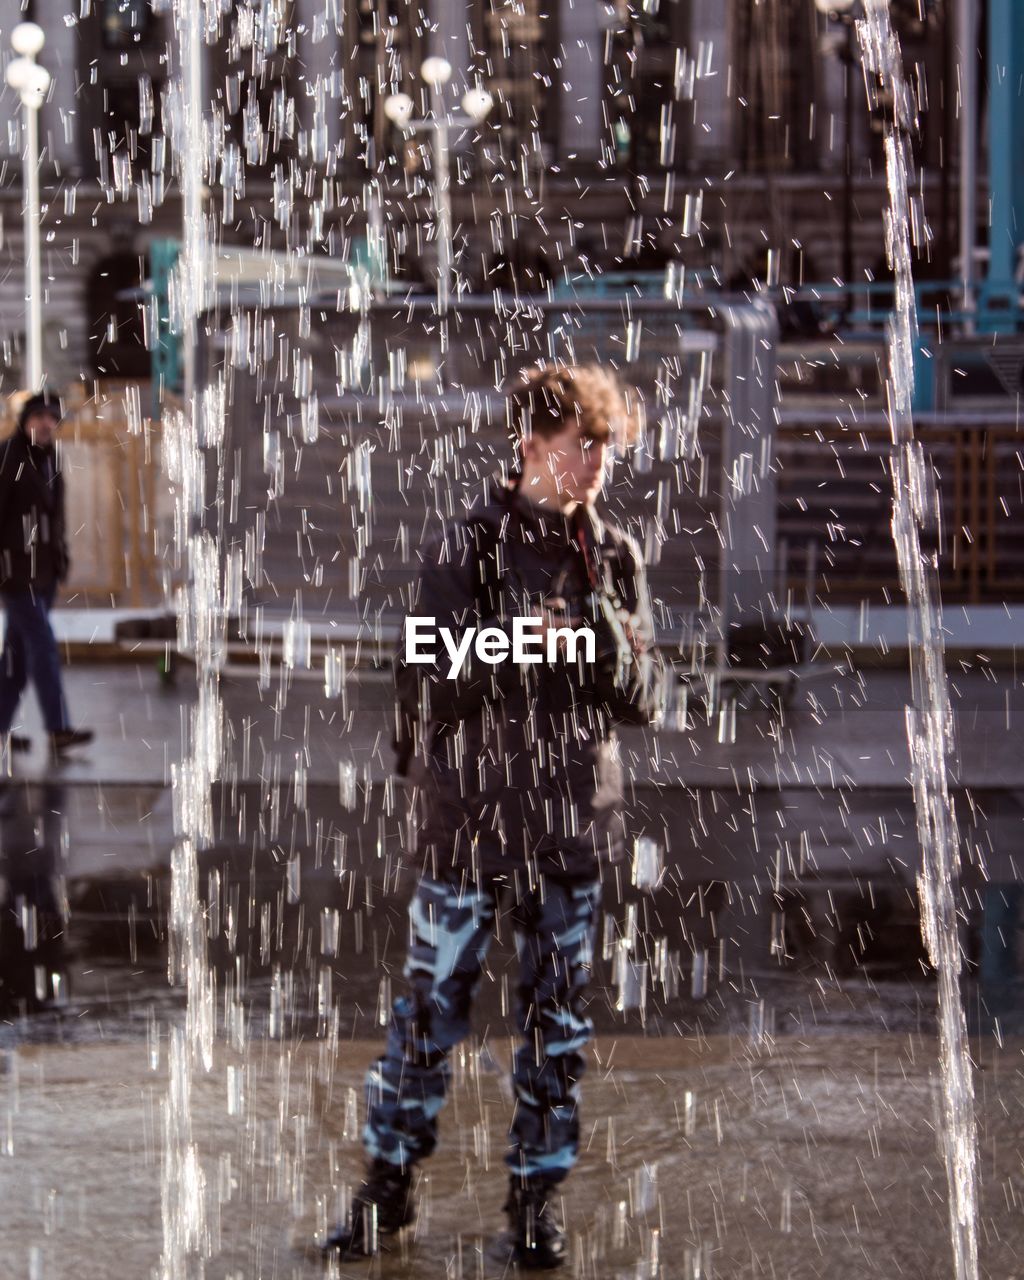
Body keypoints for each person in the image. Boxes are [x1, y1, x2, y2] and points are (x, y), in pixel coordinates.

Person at [324, 364, 663, 1268]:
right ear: (531, 444)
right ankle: (385, 1188)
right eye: (580, 446)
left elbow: (650, 693)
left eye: (606, 449)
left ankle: (535, 1200)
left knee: (559, 1029)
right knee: (428, 1017)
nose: (596, 465)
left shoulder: (613, 556)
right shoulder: (467, 546)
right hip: (465, 828)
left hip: (570, 829)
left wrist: (591, 637)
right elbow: (431, 677)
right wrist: (522, 638)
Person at [0, 392, 93, 756]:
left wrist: (60, 556)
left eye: (51, 417)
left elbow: (55, 515)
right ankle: (58, 729)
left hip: (44, 573)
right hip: (16, 572)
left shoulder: (50, 457)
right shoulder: (9, 456)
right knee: (42, 646)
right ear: (25, 421)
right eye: (37, 416)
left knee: (17, 658)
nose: (44, 423)